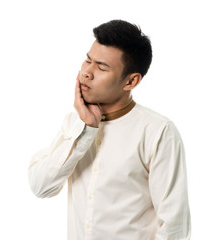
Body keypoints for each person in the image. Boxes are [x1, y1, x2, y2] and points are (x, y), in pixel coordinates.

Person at [28, 19, 191, 240]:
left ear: (131, 81)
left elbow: (174, 226)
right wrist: (86, 130)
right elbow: (41, 187)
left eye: (102, 67)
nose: (87, 73)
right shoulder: (73, 124)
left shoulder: (158, 132)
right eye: (87, 60)